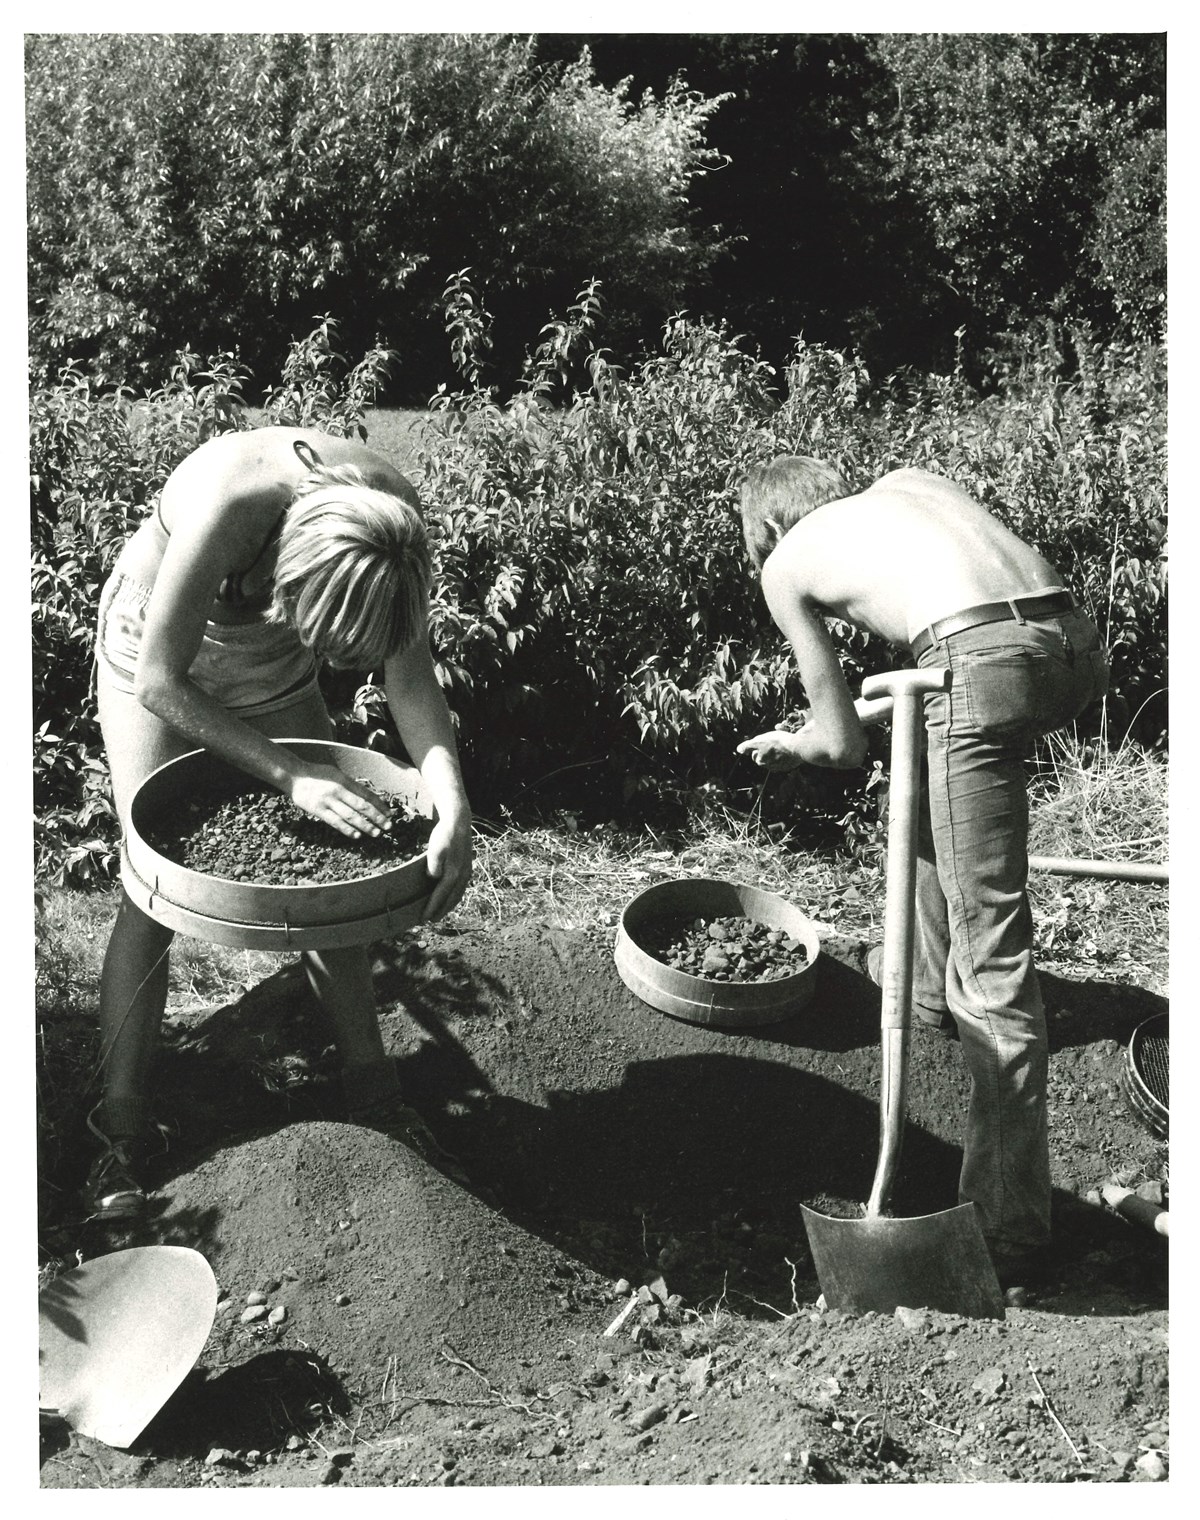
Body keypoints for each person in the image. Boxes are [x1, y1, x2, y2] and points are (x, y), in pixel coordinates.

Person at [736, 457, 1109, 1287]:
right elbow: (950, 645)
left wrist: (798, 743)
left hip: (980, 661)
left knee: (994, 957)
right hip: (1069, 643)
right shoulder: (908, 484)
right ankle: (925, 995)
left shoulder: (786, 563)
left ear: (767, 527)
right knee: (938, 789)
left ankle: (1009, 1227)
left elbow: (840, 746)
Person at [86, 426, 473, 1220]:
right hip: (152, 652)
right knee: (153, 877)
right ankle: (117, 1130)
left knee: (332, 864)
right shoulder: (233, 505)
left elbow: (411, 678)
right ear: (289, 586)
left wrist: (454, 800)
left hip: (268, 655)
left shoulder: (384, 531)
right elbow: (162, 682)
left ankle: (373, 1091)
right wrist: (292, 773)